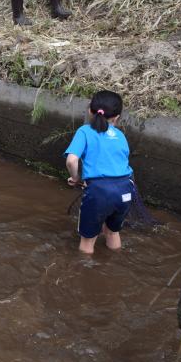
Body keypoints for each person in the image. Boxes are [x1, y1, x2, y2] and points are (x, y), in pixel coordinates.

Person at [64, 90, 134, 255]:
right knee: (112, 232)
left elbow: (71, 160)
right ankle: (115, 263)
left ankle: (85, 274)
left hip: (99, 192)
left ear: (90, 110)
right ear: (117, 117)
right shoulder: (121, 135)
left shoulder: (85, 131)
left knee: (88, 242)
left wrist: (75, 178)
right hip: (125, 190)